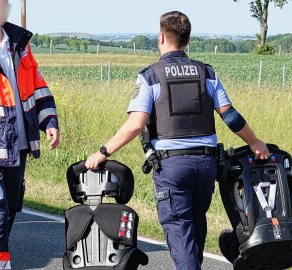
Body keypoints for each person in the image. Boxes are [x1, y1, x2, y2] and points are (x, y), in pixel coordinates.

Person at [85, 11, 269, 270]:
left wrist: (103, 152)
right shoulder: (207, 73)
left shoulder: (150, 76)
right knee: (195, 226)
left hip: (172, 168)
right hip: (206, 166)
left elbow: (136, 124)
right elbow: (230, 116)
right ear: (188, 39)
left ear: (161, 36)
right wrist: (255, 142)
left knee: (180, 231)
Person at [0, 0, 59, 269]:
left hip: (17, 149)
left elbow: (38, 88)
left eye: (4, 5)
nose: (1, 10)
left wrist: (49, 121)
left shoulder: (20, 46)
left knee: (6, 219)